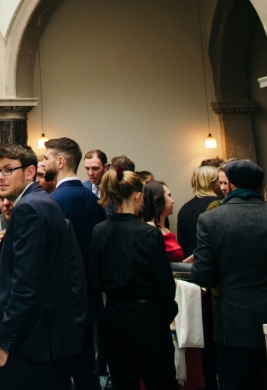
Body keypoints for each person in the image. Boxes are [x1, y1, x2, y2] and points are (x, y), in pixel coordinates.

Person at [192, 159, 267, 390]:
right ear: (260, 185)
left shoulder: (211, 219)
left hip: (234, 322)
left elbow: (203, 275)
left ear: (229, 184)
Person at [0, 143, 77, 389]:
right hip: (45, 339)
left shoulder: (28, 208)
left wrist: (5, 341)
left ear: (30, 172)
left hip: (27, 344)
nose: (0, 177)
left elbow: (25, 287)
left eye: (8, 170)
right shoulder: (42, 202)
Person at [87, 167, 176, 390]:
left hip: (114, 317)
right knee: (161, 382)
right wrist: (166, 314)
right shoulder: (149, 234)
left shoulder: (99, 231)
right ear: (137, 195)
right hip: (148, 318)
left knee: (123, 383)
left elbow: (95, 282)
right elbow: (165, 285)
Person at [43, 138, 104, 390]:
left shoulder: (54, 202)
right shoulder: (94, 201)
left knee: (58, 372)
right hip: (89, 296)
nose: (42, 162)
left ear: (60, 161)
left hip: (62, 299)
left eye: (46, 158)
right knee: (87, 369)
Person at [176, 163, 220, 258]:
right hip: (214, 262)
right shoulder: (220, 204)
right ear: (210, 182)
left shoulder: (184, 209)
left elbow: (182, 244)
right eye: (218, 180)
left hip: (192, 265)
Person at [139, 181, 182, 261]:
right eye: (169, 196)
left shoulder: (166, 229)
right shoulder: (150, 230)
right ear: (158, 199)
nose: (173, 201)